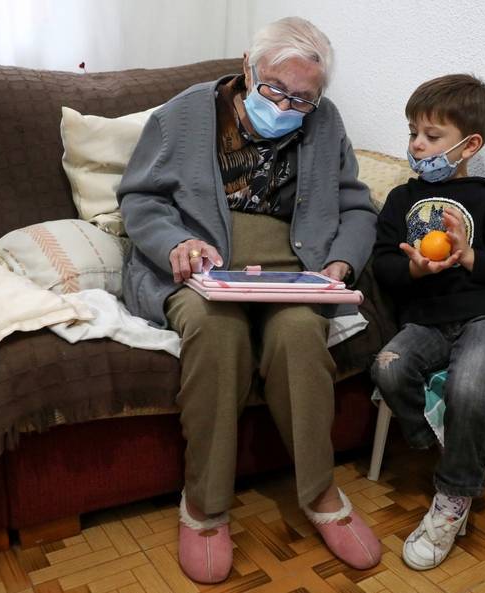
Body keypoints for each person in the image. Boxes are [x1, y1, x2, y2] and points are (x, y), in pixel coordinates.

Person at [117, 17, 381, 584]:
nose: (287, 105)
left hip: (291, 268)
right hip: (199, 268)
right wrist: (178, 244)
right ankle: (205, 508)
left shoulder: (326, 123)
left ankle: (320, 493)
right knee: (217, 332)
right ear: (247, 67)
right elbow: (139, 200)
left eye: (303, 99)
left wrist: (340, 262)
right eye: (274, 89)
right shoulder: (183, 114)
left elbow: (357, 206)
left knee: (299, 335)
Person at [370, 74, 485, 570]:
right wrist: (414, 268)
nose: (418, 144)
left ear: (469, 145)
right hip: (427, 319)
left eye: (432, 136)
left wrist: (469, 257)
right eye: (413, 132)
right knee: (388, 367)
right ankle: (453, 451)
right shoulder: (402, 200)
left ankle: (453, 499)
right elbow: (383, 264)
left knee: (468, 389)